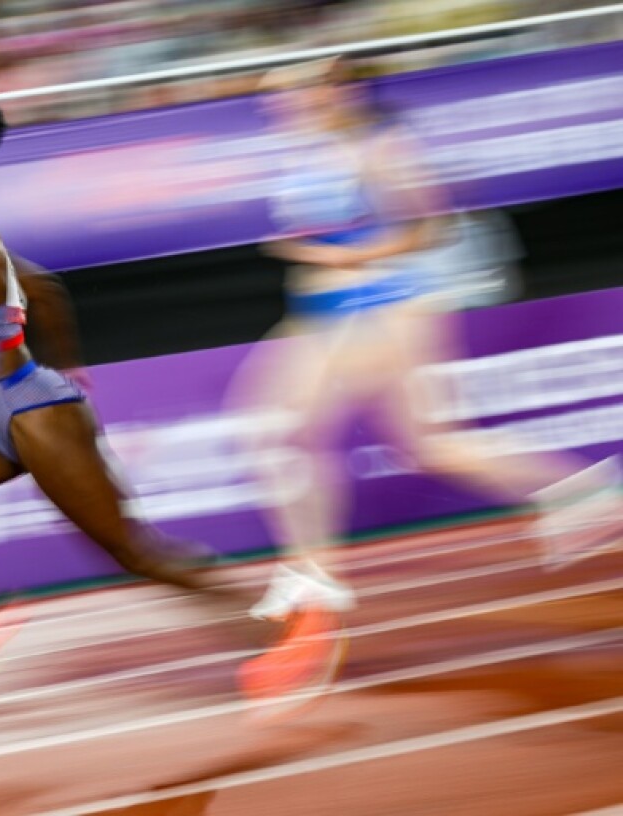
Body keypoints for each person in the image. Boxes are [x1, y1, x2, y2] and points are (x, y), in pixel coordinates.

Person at [0, 98, 345, 709]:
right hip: (1, 413)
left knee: (134, 551)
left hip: (35, 416)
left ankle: (290, 628)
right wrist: (70, 365)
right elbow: (45, 289)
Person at [229, 57, 620, 622]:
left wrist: (345, 255)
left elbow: (431, 227)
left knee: (278, 427)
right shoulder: (307, 149)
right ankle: (583, 490)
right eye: (271, 96)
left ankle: (314, 573)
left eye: (286, 93)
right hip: (325, 310)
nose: (274, 105)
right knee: (428, 444)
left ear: (333, 95)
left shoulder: (381, 147)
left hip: (381, 308)